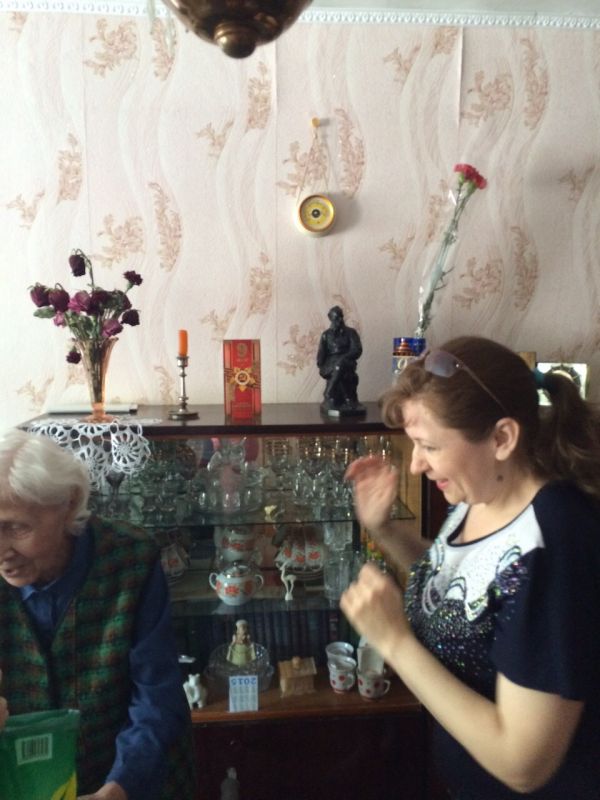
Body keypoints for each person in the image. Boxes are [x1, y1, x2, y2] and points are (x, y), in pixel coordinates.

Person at [340, 336, 600, 800]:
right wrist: (385, 530)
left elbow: (523, 765)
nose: (416, 465)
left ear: (502, 439)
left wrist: (394, 641)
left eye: (429, 446)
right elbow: (467, 585)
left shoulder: (553, 544)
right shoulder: (481, 492)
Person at [0, 428, 196, 800]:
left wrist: (119, 788)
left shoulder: (131, 559)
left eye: (16, 527)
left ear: (69, 502)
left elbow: (156, 693)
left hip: (132, 779)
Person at [316, 305, 365, 415]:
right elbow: (321, 354)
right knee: (339, 369)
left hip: (348, 361)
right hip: (331, 363)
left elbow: (357, 349)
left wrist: (344, 357)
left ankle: (329, 392)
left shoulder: (351, 333)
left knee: (341, 365)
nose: (340, 320)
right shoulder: (326, 335)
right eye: (336, 318)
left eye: (341, 317)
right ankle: (347, 399)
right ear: (331, 319)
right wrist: (321, 366)